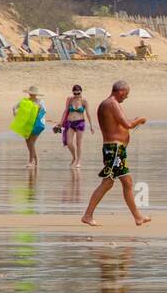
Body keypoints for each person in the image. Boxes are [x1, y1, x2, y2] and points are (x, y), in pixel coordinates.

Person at [81, 80, 150, 227]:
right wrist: (140, 120)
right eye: (126, 94)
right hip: (114, 150)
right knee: (109, 182)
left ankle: (138, 217)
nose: (126, 97)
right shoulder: (112, 103)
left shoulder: (109, 104)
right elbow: (128, 124)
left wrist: (135, 121)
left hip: (116, 150)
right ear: (120, 91)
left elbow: (122, 123)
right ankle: (88, 215)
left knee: (125, 182)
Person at [59, 84, 93, 168]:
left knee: (78, 143)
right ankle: (74, 157)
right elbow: (65, 111)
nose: (76, 95)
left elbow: (88, 113)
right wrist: (61, 122)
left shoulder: (84, 101)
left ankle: (78, 161)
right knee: (69, 142)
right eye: (75, 93)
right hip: (70, 122)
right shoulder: (70, 99)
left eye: (78, 93)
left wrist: (91, 125)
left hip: (80, 123)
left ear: (81, 92)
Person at [12, 86, 47, 168]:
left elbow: (44, 112)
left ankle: (31, 161)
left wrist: (38, 110)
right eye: (30, 93)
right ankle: (36, 160)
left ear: (36, 94)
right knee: (28, 143)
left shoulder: (40, 102)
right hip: (27, 125)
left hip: (37, 125)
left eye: (33, 94)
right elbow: (14, 107)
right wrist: (15, 113)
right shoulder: (25, 101)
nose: (31, 95)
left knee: (31, 142)